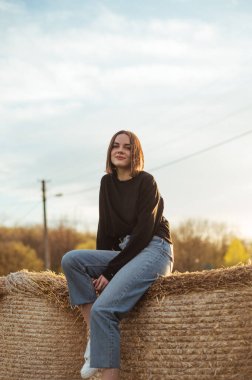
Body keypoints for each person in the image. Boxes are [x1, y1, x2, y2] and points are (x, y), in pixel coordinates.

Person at [61, 130, 174, 380]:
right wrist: (102, 268)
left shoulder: (147, 182)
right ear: (110, 151)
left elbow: (144, 233)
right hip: (126, 251)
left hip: (154, 249)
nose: (120, 150)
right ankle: (95, 338)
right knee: (71, 260)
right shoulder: (106, 183)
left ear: (136, 153)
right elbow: (106, 230)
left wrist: (111, 271)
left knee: (104, 310)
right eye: (115, 145)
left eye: (127, 147)